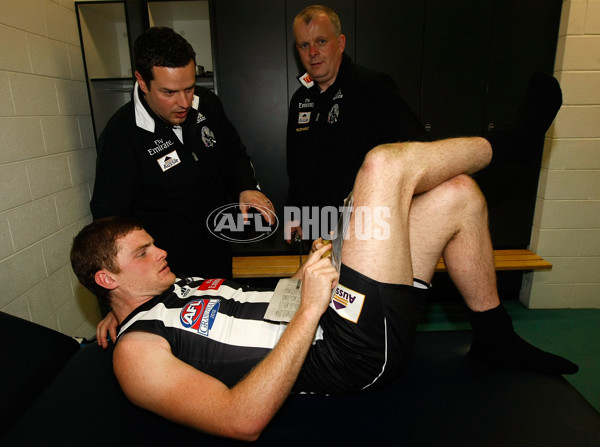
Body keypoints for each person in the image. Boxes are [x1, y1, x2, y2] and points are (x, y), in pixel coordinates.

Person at [71, 132, 577, 440]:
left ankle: (493, 332)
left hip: (330, 312)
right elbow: (238, 420)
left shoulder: (174, 290)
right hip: (346, 350)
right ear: (106, 277)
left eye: (153, 243)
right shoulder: (135, 353)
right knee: (383, 165)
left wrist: (316, 262)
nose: (161, 252)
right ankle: (515, 143)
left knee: (457, 195)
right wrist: (313, 308)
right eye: (143, 253)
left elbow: (266, 312)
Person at [90, 27, 274, 281]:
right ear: (142, 82)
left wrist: (246, 186)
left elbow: (232, 149)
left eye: (189, 88)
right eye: (169, 92)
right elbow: (109, 225)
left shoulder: (207, 103)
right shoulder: (120, 136)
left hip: (216, 250)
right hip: (166, 268)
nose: (184, 102)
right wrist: (116, 299)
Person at [286, 5, 429, 240]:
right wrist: (295, 212)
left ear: (340, 43)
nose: (312, 52)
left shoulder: (371, 87)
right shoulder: (301, 99)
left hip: (368, 230)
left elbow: (418, 151)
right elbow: (296, 166)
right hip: (317, 229)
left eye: (321, 41)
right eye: (304, 45)